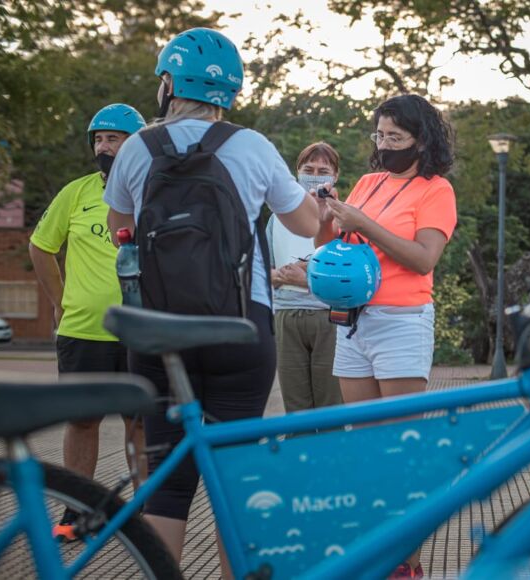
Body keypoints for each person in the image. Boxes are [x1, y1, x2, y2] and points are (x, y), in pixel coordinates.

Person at [103, 28, 319, 573]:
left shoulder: (135, 148)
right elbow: (308, 223)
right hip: (240, 329)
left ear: (170, 83)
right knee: (234, 480)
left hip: (156, 333)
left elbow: (119, 229)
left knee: (167, 485)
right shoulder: (252, 147)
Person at [314, 94, 457, 579]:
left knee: (401, 449)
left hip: (401, 321)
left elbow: (422, 259)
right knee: (366, 450)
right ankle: (376, 553)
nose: (385, 144)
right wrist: (327, 216)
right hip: (354, 320)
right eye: (380, 135)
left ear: (422, 139)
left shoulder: (436, 190)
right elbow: (333, 242)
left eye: (396, 137)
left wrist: (364, 224)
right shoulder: (370, 181)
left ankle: (408, 564)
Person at [29, 103, 148, 540]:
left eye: (113, 138)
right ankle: (76, 511)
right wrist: (59, 302)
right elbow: (41, 246)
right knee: (82, 421)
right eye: (98, 138)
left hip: (140, 330)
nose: (103, 146)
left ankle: (143, 517)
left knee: (141, 424)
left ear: (134, 144)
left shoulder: (153, 191)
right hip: (83, 329)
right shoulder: (75, 193)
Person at [267, 142, 343, 413]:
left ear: (335, 176)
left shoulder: (345, 215)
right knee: (296, 410)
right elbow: (263, 268)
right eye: (308, 168)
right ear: (296, 171)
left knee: (330, 407)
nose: (314, 174)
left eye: (323, 169)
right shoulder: (278, 217)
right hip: (287, 316)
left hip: (329, 319)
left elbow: (351, 274)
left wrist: (307, 278)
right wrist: (281, 275)